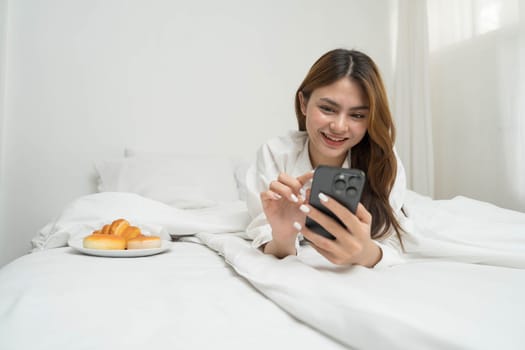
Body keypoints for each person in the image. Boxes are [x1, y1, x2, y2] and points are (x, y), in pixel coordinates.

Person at [244, 48, 408, 268]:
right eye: (328, 109)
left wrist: (365, 253)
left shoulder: (384, 161)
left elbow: (393, 243)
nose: (339, 127)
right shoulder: (274, 154)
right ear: (303, 103)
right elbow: (268, 240)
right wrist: (283, 236)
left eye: (357, 115)